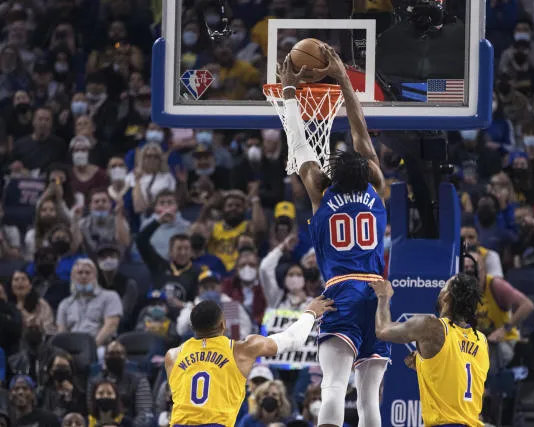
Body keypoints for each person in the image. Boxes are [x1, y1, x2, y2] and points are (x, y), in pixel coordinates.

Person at [278, 44, 388, 427]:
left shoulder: (320, 192)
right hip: (377, 293)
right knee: (370, 398)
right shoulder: (377, 189)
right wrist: (343, 79)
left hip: (341, 291)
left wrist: (289, 91)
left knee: (334, 387)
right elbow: (362, 136)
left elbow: (300, 144)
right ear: (367, 169)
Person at [165, 296, 335, 426]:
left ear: (192, 327)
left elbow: (180, 394)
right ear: (223, 324)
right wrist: (311, 312)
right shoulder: (241, 349)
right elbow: (292, 339)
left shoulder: (172, 356)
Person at [368, 275, 488, 427]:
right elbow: (466, 381)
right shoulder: (482, 341)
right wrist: (425, 367)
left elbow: (383, 330)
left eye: (444, 286)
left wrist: (383, 296)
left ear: (447, 297)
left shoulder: (431, 326)